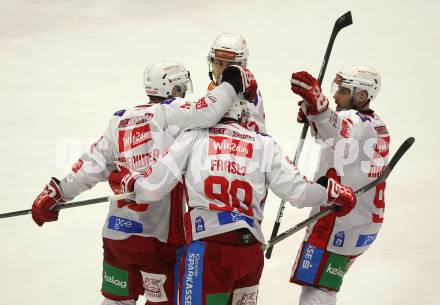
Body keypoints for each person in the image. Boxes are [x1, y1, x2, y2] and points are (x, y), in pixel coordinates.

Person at [109, 65, 357, 305]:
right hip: (249, 255)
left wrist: (132, 186)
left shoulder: (194, 137)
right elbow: (301, 193)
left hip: (208, 251)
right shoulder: (263, 144)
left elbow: (154, 187)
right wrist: (331, 192)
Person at [30, 59, 256, 305]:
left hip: (117, 235)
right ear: (175, 90)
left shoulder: (120, 119)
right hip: (159, 241)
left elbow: (89, 167)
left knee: (117, 301)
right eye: (182, 88)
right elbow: (209, 110)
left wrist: (57, 193)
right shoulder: (172, 112)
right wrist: (233, 80)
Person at [288, 66, 390, 305]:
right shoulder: (377, 123)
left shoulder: (357, 122)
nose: (335, 96)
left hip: (340, 220)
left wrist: (318, 104)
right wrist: (315, 116)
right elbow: (337, 141)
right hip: (362, 221)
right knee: (322, 285)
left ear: (362, 95)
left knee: (318, 288)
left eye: (343, 91)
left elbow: (342, 131)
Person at [207, 32, 266, 133]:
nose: (223, 71)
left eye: (230, 64)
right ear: (211, 63)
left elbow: (259, 135)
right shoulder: (213, 87)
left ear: (242, 65)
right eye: (219, 63)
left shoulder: (249, 92)